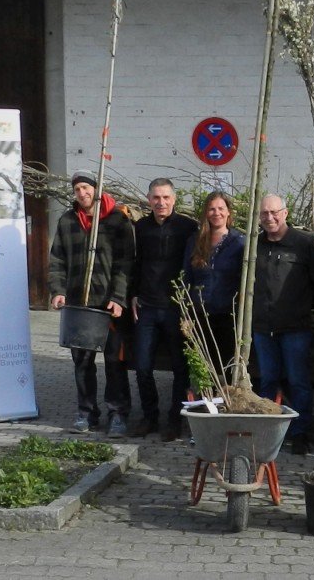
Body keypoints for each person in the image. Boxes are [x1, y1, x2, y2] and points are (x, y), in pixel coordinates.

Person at [49, 170, 134, 434]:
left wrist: (119, 298)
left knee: (114, 362)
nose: (83, 194)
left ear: (96, 189)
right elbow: (57, 260)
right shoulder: (67, 221)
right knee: (82, 363)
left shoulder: (117, 220)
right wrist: (57, 290)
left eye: (86, 188)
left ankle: (118, 413)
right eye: (78, 190)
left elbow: (125, 264)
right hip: (78, 305)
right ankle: (86, 413)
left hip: (109, 306)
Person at [252, 193, 314, 455]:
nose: (269, 218)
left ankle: (300, 433)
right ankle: (268, 434)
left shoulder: (303, 244)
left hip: (295, 327)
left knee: (299, 382)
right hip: (263, 327)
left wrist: (299, 302)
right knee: (267, 382)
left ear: (285, 213)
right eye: (264, 214)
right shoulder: (255, 245)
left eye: (274, 212)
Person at [130, 178, 198, 442]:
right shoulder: (141, 228)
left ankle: (174, 420)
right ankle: (149, 417)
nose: (161, 202)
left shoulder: (188, 228)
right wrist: (133, 294)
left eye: (166, 197)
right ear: (149, 200)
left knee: (180, 369)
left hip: (176, 308)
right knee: (143, 367)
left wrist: (190, 303)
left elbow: (195, 266)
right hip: (146, 306)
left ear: (174, 199)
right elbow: (135, 263)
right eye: (156, 198)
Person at [182, 191, 246, 380]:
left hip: (228, 317)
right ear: (206, 213)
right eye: (211, 209)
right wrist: (186, 314)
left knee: (224, 370)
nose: (216, 213)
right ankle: (205, 406)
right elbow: (186, 278)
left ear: (228, 212)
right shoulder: (194, 241)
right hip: (200, 316)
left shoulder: (239, 243)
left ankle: (223, 407)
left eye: (220, 208)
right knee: (202, 369)